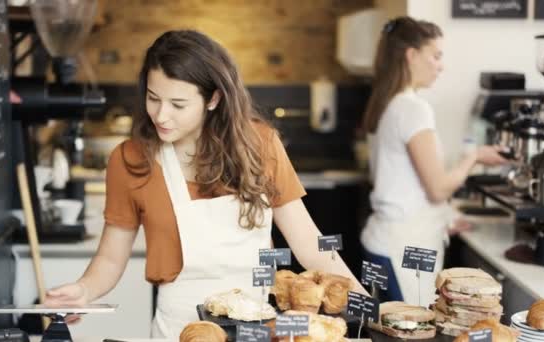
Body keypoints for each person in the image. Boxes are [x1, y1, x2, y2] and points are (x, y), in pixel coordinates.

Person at [45, 30, 366, 338]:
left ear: (213, 99)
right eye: (153, 98)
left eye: (178, 104)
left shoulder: (261, 145)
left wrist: (368, 307)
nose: (161, 115)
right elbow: (111, 258)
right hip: (177, 331)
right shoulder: (130, 161)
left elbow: (311, 242)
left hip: (255, 328)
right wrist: (83, 289)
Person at [359, 17, 507, 307]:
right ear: (412, 55)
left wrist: (442, 218)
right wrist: (474, 156)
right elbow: (437, 189)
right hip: (405, 248)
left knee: (388, 329)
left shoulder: (386, 102)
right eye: (436, 55)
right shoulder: (413, 109)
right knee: (413, 331)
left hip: (382, 241)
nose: (442, 65)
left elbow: (401, 180)